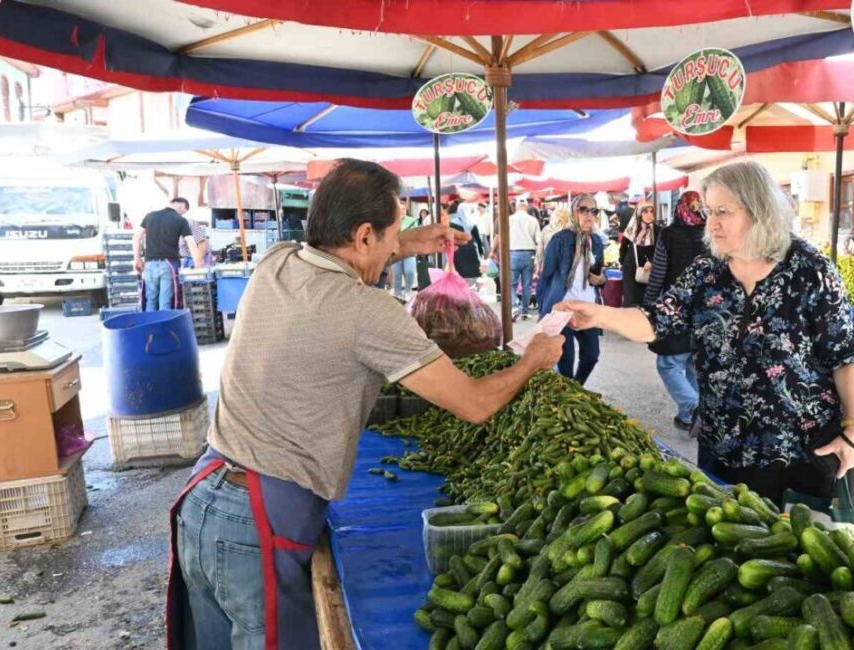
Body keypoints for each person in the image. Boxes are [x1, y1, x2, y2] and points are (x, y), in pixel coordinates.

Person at [166, 159, 563, 649]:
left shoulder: (279, 261)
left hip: (204, 497)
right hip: (256, 522)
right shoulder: (368, 311)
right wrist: (533, 360)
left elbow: (342, 261)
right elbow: (474, 403)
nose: (398, 244)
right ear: (363, 235)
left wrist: (408, 243)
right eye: (393, 234)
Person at [557, 162, 854, 503]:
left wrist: (853, 432)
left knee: (802, 547)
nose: (711, 223)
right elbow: (656, 322)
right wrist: (599, 314)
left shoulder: (812, 271)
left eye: (723, 212)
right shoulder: (707, 272)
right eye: (708, 211)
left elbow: (844, 358)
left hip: (801, 452)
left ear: (759, 210)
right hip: (723, 449)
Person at [643, 191, 708, 432]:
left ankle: (692, 408)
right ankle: (690, 415)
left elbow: (658, 272)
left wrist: (649, 304)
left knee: (668, 364)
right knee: (693, 362)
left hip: (676, 308)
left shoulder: (669, 234)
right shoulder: (710, 234)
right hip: (707, 309)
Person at [538, 194, 607, 386]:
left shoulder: (597, 241)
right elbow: (547, 276)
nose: (588, 215)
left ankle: (576, 387)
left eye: (593, 211)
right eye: (583, 210)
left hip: (588, 308)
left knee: (592, 355)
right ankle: (570, 391)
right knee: (565, 360)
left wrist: (602, 280)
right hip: (563, 308)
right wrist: (544, 311)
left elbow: (600, 273)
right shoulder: (560, 240)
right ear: (573, 212)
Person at [134, 197, 202, 311]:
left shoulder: (150, 216)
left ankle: (151, 328)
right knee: (165, 302)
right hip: (168, 264)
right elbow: (191, 243)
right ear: (182, 206)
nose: (183, 213)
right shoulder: (180, 220)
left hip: (149, 264)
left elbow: (136, 237)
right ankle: (163, 328)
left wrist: (137, 259)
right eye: (184, 211)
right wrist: (198, 264)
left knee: (151, 300)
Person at [492, 198, 542, 320]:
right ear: (526, 206)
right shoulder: (533, 220)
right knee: (527, 285)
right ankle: (525, 311)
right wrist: (539, 258)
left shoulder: (509, 219)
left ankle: (514, 307)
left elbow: (502, 238)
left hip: (512, 253)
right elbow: (539, 241)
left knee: (511, 284)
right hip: (529, 254)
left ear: (516, 207)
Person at [619, 201, 660, 308]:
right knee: (631, 301)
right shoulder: (632, 228)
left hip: (648, 270)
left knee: (646, 302)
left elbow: (660, 249)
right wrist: (622, 262)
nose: (649, 215)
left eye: (651, 212)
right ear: (639, 213)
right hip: (631, 269)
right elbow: (623, 247)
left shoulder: (658, 230)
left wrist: (651, 261)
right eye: (645, 212)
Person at [447, 200, 485, 290]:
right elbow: (478, 241)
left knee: (460, 271)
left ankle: (462, 292)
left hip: (457, 251)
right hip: (471, 251)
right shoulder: (472, 224)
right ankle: (470, 291)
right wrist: (481, 251)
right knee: (471, 273)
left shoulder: (451, 224)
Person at [389, 201, 419, 300]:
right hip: (396, 251)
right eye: (400, 209)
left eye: (404, 209)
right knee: (397, 273)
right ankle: (397, 294)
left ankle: (408, 291)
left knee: (409, 271)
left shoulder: (412, 220)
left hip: (409, 250)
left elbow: (416, 235)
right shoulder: (392, 221)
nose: (402, 211)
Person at [536, 207, 571, 276]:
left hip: (548, 263)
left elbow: (540, 249)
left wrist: (538, 265)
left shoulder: (546, 229)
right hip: (565, 265)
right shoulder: (571, 230)